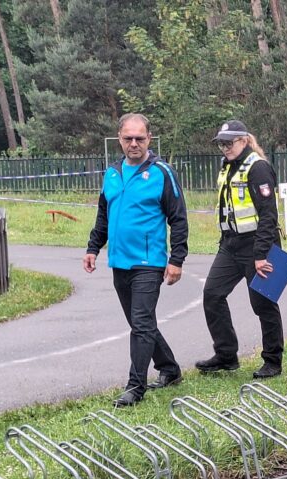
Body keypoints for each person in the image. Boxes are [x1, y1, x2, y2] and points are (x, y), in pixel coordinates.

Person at [84, 113, 188, 408]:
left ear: (149, 139)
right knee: (139, 322)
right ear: (119, 139)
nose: (134, 144)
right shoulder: (112, 173)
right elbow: (104, 214)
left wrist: (177, 258)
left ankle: (135, 386)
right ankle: (169, 368)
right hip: (119, 261)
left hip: (149, 261)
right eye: (128, 138)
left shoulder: (161, 172)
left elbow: (178, 218)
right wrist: (93, 248)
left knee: (141, 324)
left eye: (139, 138)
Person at [196, 119, 284, 379]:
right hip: (230, 244)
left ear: (244, 140)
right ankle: (226, 355)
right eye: (221, 143)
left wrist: (260, 255)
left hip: (258, 244)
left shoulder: (257, 167)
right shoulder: (227, 167)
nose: (225, 147)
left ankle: (272, 361)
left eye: (230, 142)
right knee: (212, 294)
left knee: (263, 304)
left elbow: (269, 215)